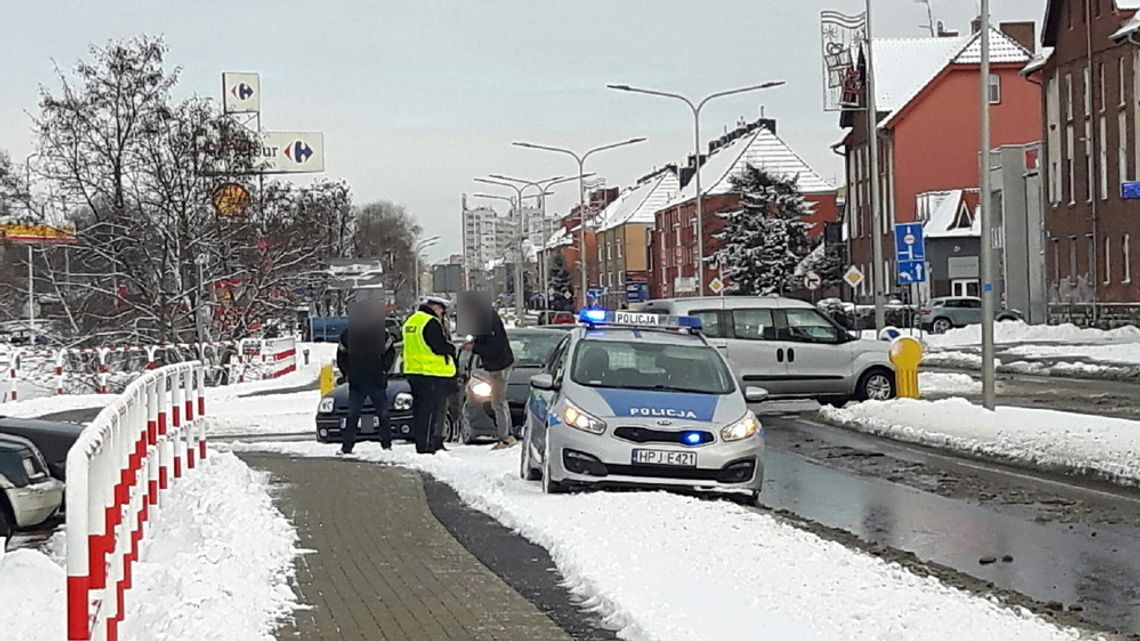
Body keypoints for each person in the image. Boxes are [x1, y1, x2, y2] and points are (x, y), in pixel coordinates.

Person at [336, 300, 397, 455]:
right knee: (353, 415)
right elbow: (341, 355)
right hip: (358, 382)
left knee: (382, 414)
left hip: (375, 380)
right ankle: (347, 446)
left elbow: (390, 352)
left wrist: (384, 369)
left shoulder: (380, 333)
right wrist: (347, 373)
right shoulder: (349, 334)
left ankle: (386, 445)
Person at [402, 295, 457, 454]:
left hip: (414, 371)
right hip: (432, 373)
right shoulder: (430, 322)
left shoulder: (411, 321)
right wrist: (451, 348)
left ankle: (421, 442)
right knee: (431, 411)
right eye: (442, 310)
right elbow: (438, 346)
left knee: (420, 411)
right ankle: (428, 445)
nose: (442, 313)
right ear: (435, 307)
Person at [463, 303, 515, 449]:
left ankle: (504, 438)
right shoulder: (487, 320)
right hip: (498, 364)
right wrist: (474, 343)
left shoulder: (489, 322)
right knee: (500, 402)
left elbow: (494, 347)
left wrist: (474, 347)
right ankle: (508, 435)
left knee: (497, 402)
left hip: (499, 365)